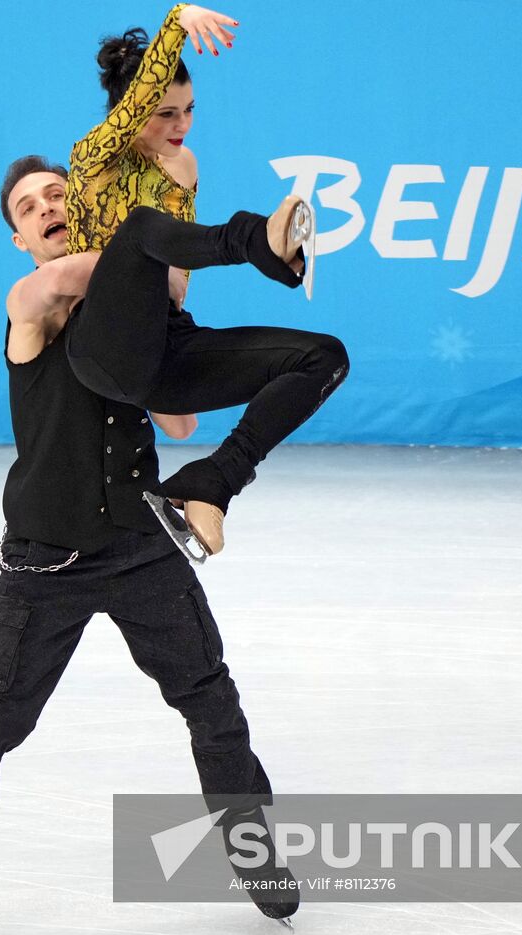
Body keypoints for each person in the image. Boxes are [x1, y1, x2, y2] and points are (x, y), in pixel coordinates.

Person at [0, 156, 308, 935]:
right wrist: (150, 251)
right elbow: (69, 280)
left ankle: (250, 841)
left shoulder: (121, 312)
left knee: (211, 701)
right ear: (18, 237)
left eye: (59, 193)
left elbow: (182, 414)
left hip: (139, 546)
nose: (48, 206)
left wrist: (155, 317)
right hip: (43, 561)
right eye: (30, 207)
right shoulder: (30, 303)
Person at [65, 3, 348, 557]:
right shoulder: (92, 157)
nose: (181, 125)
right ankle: (260, 243)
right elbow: (149, 243)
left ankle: (213, 484)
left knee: (323, 356)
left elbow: (178, 277)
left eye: (189, 110)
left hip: (161, 346)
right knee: (143, 226)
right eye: (164, 113)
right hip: (100, 338)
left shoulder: (183, 167)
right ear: (131, 108)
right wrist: (176, 21)